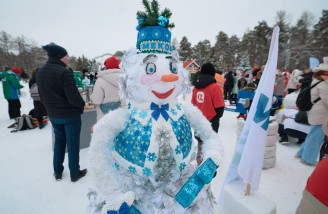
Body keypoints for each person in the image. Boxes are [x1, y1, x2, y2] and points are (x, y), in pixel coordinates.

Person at [36, 43, 87, 182]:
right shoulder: (65, 72)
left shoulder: (40, 71)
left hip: (54, 115)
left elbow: (41, 95)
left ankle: (57, 172)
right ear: (59, 57)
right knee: (72, 144)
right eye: (66, 55)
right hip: (70, 115)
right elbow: (73, 97)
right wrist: (82, 105)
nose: (69, 58)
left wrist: (50, 109)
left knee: (59, 142)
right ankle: (75, 173)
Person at [296, 57, 328, 166]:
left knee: (312, 135)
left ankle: (301, 153)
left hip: (316, 113)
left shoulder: (317, 80)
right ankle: (308, 159)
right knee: (316, 138)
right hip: (321, 115)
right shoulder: (324, 84)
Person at [191, 62, 225, 165]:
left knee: (200, 142)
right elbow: (219, 107)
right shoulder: (215, 87)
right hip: (211, 120)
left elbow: (193, 104)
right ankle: (207, 163)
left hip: (199, 119)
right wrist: (217, 116)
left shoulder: (196, 87)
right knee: (210, 143)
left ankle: (199, 160)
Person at [91, 56, 123, 121]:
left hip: (104, 117)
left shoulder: (100, 80)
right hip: (122, 115)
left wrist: (91, 97)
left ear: (106, 66)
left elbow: (97, 100)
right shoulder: (126, 79)